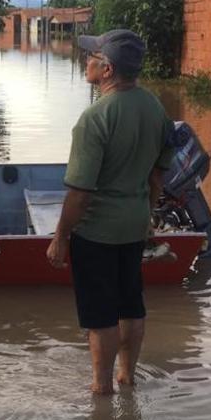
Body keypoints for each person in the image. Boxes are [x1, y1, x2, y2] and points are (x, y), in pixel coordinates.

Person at [46, 30, 175, 395]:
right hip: (134, 224)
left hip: (97, 231)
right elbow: (157, 176)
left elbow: (81, 192)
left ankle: (101, 386)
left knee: (101, 313)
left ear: (108, 69)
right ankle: (127, 376)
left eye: (92, 58)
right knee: (131, 302)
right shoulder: (155, 108)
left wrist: (60, 237)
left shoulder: (95, 117)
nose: (85, 61)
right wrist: (147, 217)